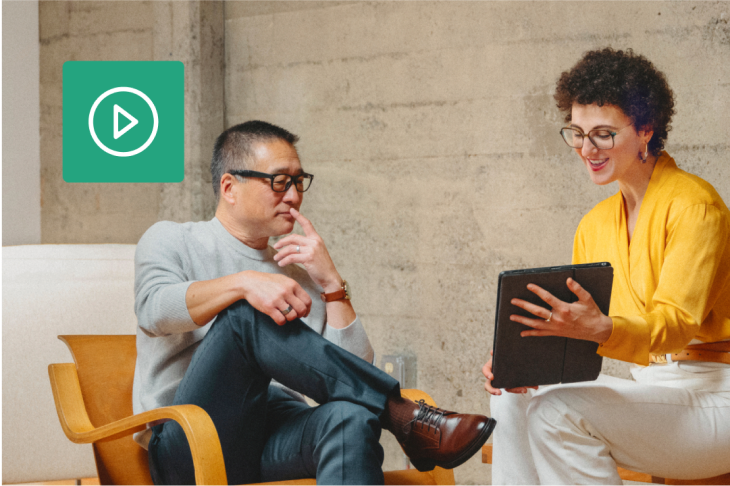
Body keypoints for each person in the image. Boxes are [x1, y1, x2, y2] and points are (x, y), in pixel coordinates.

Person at [133, 120, 495, 486]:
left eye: (298, 181)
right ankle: (403, 416)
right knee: (245, 315)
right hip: (192, 441)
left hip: (274, 434)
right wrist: (244, 284)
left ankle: (399, 417)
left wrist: (331, 284)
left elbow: (349, 374)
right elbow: (154, 310)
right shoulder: (171, 239)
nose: (293, 196)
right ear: (230, 186)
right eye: (278, 181)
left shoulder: (294, 273)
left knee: (352, 418)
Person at [482, 48, 730, 485]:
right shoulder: (594, 226)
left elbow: (674, 325)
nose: (586, 149)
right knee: (510, 398)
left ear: (645, 130)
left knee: (558, 412)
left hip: (716, 391)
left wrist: (600, 329)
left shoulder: (695, 205)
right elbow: (581, 339)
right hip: (656, 387)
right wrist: (523, 362)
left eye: (603, 134)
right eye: (577, 133)